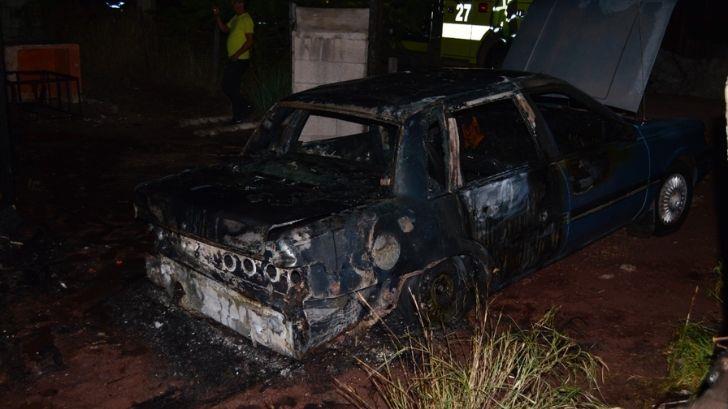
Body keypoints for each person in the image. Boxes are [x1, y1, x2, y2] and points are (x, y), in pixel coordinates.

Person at [214, 1, 254, 123]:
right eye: (234, 4)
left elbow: (250, 41)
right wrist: (217, 16)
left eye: (238, 3)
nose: (235, 6)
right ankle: (246, 107)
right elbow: (224, 29)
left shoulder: (247, 19)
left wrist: (237, 54)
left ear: (242, 4)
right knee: (227, 86)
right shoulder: (236, 18)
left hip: (240, 59)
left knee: (230, 87)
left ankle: (239, 116)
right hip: (234, 59)